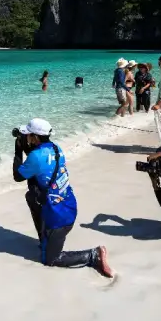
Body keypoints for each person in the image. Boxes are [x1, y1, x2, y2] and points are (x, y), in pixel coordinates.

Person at [12, 118, 115, 276]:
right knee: (31, 196)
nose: (26, 138)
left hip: (58, 217)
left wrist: (18, 150)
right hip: (68, 205)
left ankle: (93, 255)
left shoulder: (36, 156)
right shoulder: (56, 148)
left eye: (28, 135)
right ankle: (45, 241)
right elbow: (38, 166)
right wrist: (26, 146)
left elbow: (18, 176)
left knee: (50, 260)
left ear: (35, 137)